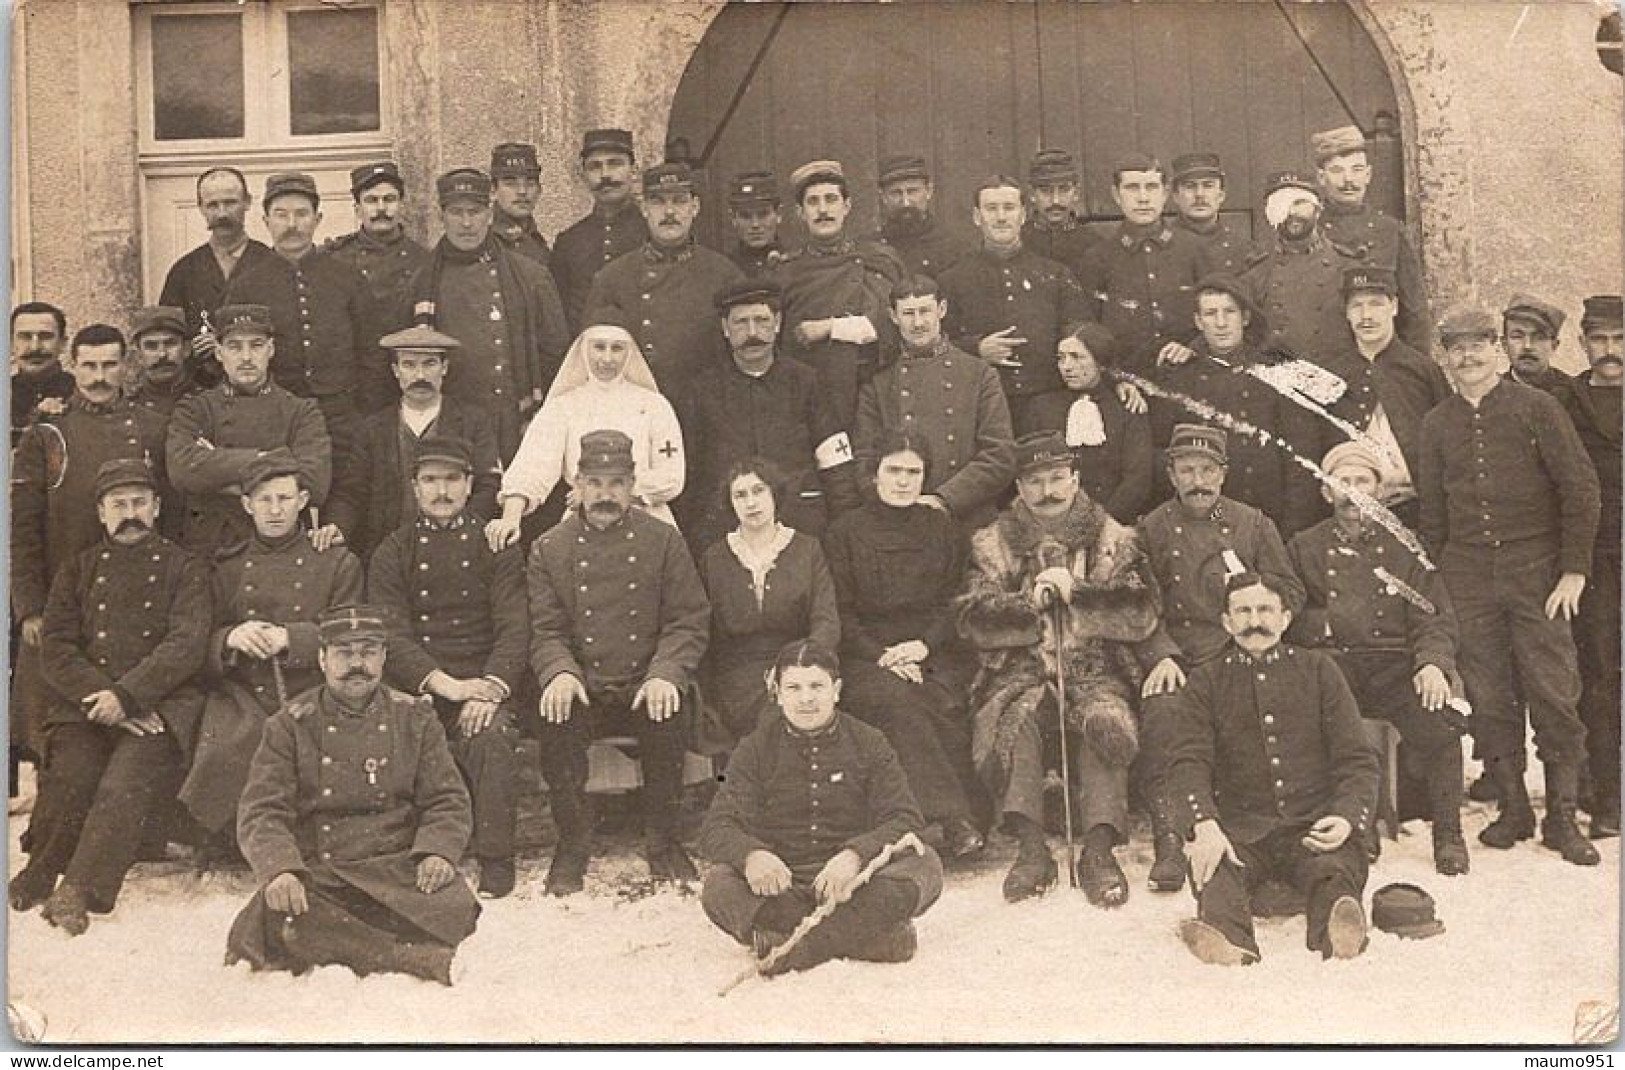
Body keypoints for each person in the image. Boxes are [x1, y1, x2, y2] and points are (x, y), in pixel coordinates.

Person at [1419, 303, 1601, 866]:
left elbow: (1581, 489)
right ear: (1445, 358)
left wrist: (1573, 569)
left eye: (1479, 345)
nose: (1468, 357)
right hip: (1468, 574)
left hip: (1537, 571)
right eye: (1456, 348)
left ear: (1496, 349)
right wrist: (1441, 580)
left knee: (1553, 691)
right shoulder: (1437, 423)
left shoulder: (1538, 409)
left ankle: (1562, 815)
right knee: (1491, 696)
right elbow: (1433, 512)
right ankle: (1514, 807)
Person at [958, 430, 1173, 905]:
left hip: (1096, 667)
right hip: (1020, 670)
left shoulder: (1113, 537)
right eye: (1034, 481)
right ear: (1018, 488)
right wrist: (1026, 606)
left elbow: (1141, 612)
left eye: (1058, 478)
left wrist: (1080, 595)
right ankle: (1032, 848)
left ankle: (1098, 847)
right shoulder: (992, 544)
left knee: (1105, 722)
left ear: (1076, 478)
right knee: (1016, 722)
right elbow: (972, 620)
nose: (1048, 491)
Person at [225, 604, 479, 985]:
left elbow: (446, 799)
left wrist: (437, 852)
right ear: (323, 659)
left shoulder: (416, 719)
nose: (356, 664)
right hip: (325, 872)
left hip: (396, 870)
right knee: (275, 912)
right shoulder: (289, 725)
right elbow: (262, 811)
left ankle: (344, 943)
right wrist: (280, 870)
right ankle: (411, 959)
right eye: (345, 653)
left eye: (367, 653)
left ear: (384, 658)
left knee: (452, 905)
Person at [8, 460, 208, 935]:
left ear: (157, 508)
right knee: (74, 773)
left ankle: (78, 888)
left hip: (158, 707)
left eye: (139, 502)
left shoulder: (186, 567)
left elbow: (187, 643)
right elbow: (56, 647)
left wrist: (130, 696)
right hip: (89, 706)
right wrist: (104, 700)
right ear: (101, 513)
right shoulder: (77, 569)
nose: (130, 513)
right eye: (118, 505)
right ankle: (41, 868)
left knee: (124, 781)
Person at [527, 430, 711, 894]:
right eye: (594, 482)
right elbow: (545, 629)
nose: (604, 495)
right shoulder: (551, 547)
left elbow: (688, 619)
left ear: (632, 486)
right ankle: (571, 845)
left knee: (669, 709)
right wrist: (561, 672)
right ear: (577, 485)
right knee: (557, 711)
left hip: (644, 677)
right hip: (585, 680)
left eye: (615, 483)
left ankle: (663, 842)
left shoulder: (663, 541)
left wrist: (666, 672)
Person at [1164, 572, 1379, 965]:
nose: (1254, 620)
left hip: (1312, 824)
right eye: (1242, 611)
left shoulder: (1320, 671)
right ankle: (1228, 943)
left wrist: (1347, 818)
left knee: (1333, 869)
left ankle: (1338, 933)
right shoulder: (1207, 680)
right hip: (1241, 829)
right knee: (1216, 865)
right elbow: (1187, 762)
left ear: (1286, 618)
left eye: (1265, 609)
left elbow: (1358, 760)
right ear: (1227, 622)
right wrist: (1205, 825)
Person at [697, 640, 943, 975]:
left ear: (836, 690)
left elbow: (904, 818)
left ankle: (800, 947)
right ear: (778, 693)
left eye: (817, 686)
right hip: (783, 885)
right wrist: (752, 856)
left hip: (855, 883)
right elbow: (717, 826)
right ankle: (870, 938)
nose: (806, 699)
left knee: (925, 864)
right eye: (794, 688)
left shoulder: (869, 742)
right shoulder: (755, 749)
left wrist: (855, 855)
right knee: (718, 886)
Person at [1136, 424, 1305, 892]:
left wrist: (1253, 607)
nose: (1198, 481)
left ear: (1224, 474)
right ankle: (1170, 839)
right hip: (1179, 659)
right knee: (1165, 712)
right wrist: (1161, 654)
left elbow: (1290, 591)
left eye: (1207, 470)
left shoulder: (1253, 524)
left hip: (1239, 651)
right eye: (1186, 470)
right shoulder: (1150, 529)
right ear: (1170, 474)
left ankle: (1254, 832)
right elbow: (1136, 606)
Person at [1287, 442, 1470, 875]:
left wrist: (1431, 663)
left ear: (1380, 489)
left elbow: (1434, 614)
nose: (1353, 492)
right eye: (1342, 483)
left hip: (1396, 663)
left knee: (1440, 720)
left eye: (1362, 481)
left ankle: (1448, 834)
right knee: (1332, 732)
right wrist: (1322, 623)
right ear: (1326, 492)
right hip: (1335, 663)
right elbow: (1286, 610)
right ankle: (1357, 824)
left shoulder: (1406, 547)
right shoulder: (1304, 546)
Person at [179, 451, 364, 849]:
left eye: (284, 498)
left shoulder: (336, 563)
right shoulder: (226, 568)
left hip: (315, 687)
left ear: (302, 501)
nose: (275, 510)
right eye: (264, 500)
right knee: (228, 742)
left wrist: (293, 639)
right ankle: (235, 840)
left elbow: (352, 637)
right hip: (242, 690)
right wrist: (230, 638)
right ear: (247, 505)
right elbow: (195, 639)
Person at [368, 436, 527, 898]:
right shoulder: (393, 551)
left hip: (484, 680)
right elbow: (391, 634)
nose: (442, 491)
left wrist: (490, 688)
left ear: (469, 485)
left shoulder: (494, 544)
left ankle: (496, 855)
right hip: (422, 681)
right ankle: (411, 849)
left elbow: (515, 626)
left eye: (452, 480)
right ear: (414, 487)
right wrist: (447, 686)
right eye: (431, 480)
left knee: (491, 734)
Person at [12, 324, 172, 766]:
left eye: (109, 364)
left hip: (136, 596)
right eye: (89, 366)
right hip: (65, 602)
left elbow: (172, 517)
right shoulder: (47, 435)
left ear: (126, 366)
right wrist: (29, 607)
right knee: (58, 734)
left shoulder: (153, 429)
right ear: (73, 367)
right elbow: (22, 530)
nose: (99, 376)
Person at [826, 435, 986, 861]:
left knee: (944, 698)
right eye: (893, 471)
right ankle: (952, 819)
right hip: (865, 654)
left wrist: (922, 646)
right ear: (874, 474)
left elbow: (957, 602)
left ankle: (959, 818)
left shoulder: (944, 529)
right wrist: (882, 655)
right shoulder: (845, 532)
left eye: (913, 472)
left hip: (932, 648)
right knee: (897, 700)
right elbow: (838, 609)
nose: (903, 481)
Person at [677, 279, 860, 551]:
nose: (753, 332)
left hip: (800, 524)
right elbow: (690, 475)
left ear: (777, 323)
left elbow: (835, 463)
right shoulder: (702, 391)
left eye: (762, 320)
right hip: (725, 532)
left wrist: (843, 530)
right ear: (725, 328)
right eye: (741, 322)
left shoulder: (807, 382)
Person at [406, 167, 570, 461]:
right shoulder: (420, 283)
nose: (467, 223)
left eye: (476, 211)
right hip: (453, 424)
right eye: (456, 212)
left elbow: (555, 353)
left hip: (518, 420)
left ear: (490, 213)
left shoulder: (531, 277)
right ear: (441, 215)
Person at [488, 314, 685, 548]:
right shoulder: (564, 406)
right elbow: (533, 466)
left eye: (617, 348)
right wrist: (511, 517)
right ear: (584, 350)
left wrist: (600, 492)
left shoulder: (654, 405)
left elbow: (672, 477)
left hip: (648, 520)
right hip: (583, 522)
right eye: (599, 348)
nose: (607, 358)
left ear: (629, 352)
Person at [698, 459, 840, 752]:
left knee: (796, 707)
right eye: (740, 495)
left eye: (758, 491)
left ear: (774, 493)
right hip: (738, 676)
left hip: (801, 668)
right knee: (772, 717)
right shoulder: (715, 558)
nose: (751, 502)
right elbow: (704, 630)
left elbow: (826, 620)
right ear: (730, 504)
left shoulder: (807, 549)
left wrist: (799, 667)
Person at [166, 304, 332, 553]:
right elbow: (182, 471)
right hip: (211, 547)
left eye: (256, 345)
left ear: (271, 350)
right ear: (219, 353)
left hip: (279, 549)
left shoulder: (301, 411)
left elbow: (314, 483)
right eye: (234, 346)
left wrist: (217, 470)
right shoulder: (195, 409)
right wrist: (270, 458)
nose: (246, 357)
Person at [326, 323, 500, 560]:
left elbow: (488, 486)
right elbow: (352, 492)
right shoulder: (372, 429)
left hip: (458, 552)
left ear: (444, 368)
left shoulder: (473, 422)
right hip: (389, 554)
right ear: (395, 370)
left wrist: (462, 535)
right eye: (409, 364)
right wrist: (338, 526)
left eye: (429, 364)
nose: (420, 376)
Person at [855, 275, 1016, 530]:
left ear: (941, 310)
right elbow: (865, 458)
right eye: (908, 313)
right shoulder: (879, 384)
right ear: (893, 316)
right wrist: (898, 501)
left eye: (925, 311)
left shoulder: (979, 374)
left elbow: (1000, 455)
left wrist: (944, 499)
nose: (918, 323)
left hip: (966, 517)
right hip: (899, 520)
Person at [939, 175, 1092, 436]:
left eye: (1009, 208)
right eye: (991, 208)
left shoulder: (1055, 274)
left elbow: (1082, 334)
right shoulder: (952, 280)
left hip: (1049, 403)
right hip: (982, 406)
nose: (1001, 217)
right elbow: (935, 342)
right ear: (977, 217)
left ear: (1023, 215)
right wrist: (976, 348)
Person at [584, 161, 744, 388]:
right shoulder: (612, 278)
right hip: (636, 404)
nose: (669, 212)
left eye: (679, 201)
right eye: (658, 202)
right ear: (644, 208)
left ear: (695, 207)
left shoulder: (725, 275)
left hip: (703, 407)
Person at [771, 160, 906, 427]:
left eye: (831, 199)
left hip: (875, 392)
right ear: (800, 212)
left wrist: (828, 328)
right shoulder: (785, 272)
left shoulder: (878, 259)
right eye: (813, 202)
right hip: (813, 398)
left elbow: (889, 323)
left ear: (846, 206)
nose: (823, 210)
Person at [1563, 295, 1624, 838]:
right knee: (1601, 675)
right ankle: (1607, 796)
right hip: (1597, 560)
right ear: (1583, 344)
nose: (1610, 352)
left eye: (1619, 340)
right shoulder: (1568, 400)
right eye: (1600, 341)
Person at [1074, 154, 1214, 381]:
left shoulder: (1194, 249)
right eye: (1132, 188)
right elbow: (1087, 330)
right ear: (1116, 195)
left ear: (1165, 193)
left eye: (1151, 187)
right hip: (1127, 384)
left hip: (1190, 376)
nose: (1143, 198)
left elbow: (1218, 312)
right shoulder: (1098, 258)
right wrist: (1114, 380)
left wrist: (1195, 347)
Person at [257, 172, 375, 443]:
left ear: (317, 219)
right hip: (276, 419)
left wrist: (361, 411)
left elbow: (371, 350)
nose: (292, 224)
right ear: (266, 221)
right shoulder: (248, 284)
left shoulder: (347, 278)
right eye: (281, 215)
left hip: (342, 418)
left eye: (301, 214)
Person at [1337, 266, 1452, 530]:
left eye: (1376, 304)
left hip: (1418, 514)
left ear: (1394, 307)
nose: (1366, 316)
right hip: (1351, 516)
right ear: (1346, 312)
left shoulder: (1422, 370)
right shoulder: (1331, 373)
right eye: (1357, 306)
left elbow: (1449, 442)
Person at [158, 167, 290, 386]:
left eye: (230, 203)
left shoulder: (274, 265)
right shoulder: (183, 271)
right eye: (212, 205)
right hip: (202, 390)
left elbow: (290, 334)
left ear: (247, 202)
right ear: (200, 208)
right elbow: (166, 337)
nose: (222, 214)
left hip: (265, 389)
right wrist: (193, 347)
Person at [1311, 125, 1432, 354]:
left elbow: (1414, 312)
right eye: (1337, 171)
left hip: (1380, 360)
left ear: (1368, 175)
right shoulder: (1309, 232)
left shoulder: (1390, 231)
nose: (1349, 180)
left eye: (1356, 170)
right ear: (1321, 177)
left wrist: (1416, 369)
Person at [323, 161, 432, 409]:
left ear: (402, 205)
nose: (381, 208)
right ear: (357, 208)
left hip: (408, 380)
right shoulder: (334, 259)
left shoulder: (423, 260)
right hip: (353, 385)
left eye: (389, 199)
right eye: (371, 200)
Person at [1025, 322, 1152, 524]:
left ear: (1100, 362)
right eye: (1061, 358)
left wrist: (1101, 524)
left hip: (1112, 523)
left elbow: (1137, 480)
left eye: (1077, 357)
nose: (1067, 366)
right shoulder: (1041, 408)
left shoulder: (1126, 408)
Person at [1241, 170, 1363, 368]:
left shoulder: (1347, 266)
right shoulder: (1256, 271)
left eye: (1299, 203)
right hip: (1278, 381)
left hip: (1337, 378)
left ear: (1318, 209)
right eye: (1281, 205)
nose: (1292, 213)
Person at [550, 129, 649, 333]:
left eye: (615, 163)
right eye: (595, 167)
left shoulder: (653, 234)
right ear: (583, 176)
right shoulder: (569, 242)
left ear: (635, 170)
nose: (605, 175)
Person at [873, 153, 972, 279]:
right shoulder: (870, 249)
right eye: (896, 193)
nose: (905, 202)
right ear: (883, 197)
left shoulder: (955, 249)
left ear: (929, 191)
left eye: (912, 191)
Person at [1168, 153, 1258, 276]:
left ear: (1221, 195)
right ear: (1176, 196)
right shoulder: (1162, 247)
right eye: (1190, 186)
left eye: (1208, 185)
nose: (1199, 194)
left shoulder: (1243, 249)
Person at [1021, 149, 1097, 283]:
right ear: (1032, 194)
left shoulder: (1094, 244)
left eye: (1063, 190)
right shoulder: (1018, 243)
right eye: (1045, 191)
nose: (1055, 200)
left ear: (1076, 193)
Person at [10, 301, 73, 447]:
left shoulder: (80, 393)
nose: (35, 347)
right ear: (11, 344)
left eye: (45, 336)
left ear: (63, 343)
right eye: (25, 337)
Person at [128, 305, 202, 419]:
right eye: (151, 346)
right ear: (138, 355)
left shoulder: (205, 403)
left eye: (170, 343)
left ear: (186, 349)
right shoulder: (124, 404)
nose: (162, 354)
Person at [487, 142, 552, 266]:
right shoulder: (485, 243)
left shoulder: (536, 241)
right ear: (493, 190)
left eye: (530, 183)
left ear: (539, 189)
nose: (522, 191)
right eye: (511, 183)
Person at [1502, 293, 1573, 395]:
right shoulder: (1489, 393)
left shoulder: (1575, 394)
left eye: (1539, 338)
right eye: (1517, 336)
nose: (1527, 346)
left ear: (1554, 346)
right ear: (1505, 345)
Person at [725, 170, 787, 276]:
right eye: (746, 216)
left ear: (779, 214)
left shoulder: (795, 265)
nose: (755, 224)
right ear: (733, 218)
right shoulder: (724, 268)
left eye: (763, 215)